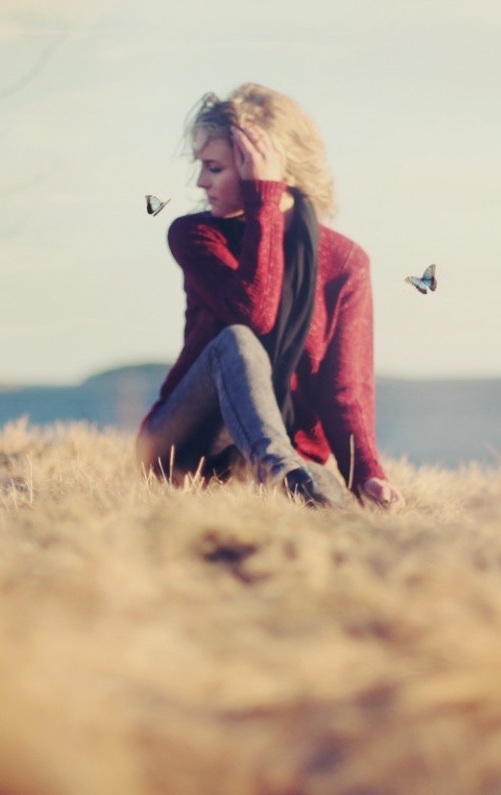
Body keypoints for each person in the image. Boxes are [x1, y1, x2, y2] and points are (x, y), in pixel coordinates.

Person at [136, 84, 401, 509]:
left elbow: (344, 389)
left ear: (272, 167)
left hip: (280, 455)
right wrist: (264, 201)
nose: (200, 181)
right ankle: (280, 471)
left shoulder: (346, 261)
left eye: (214, 168)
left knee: (336, 506)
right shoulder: (195, 235)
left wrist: (367, 474)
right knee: (237, 342)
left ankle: (286, 478)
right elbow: (254, 312)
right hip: (183, 446)